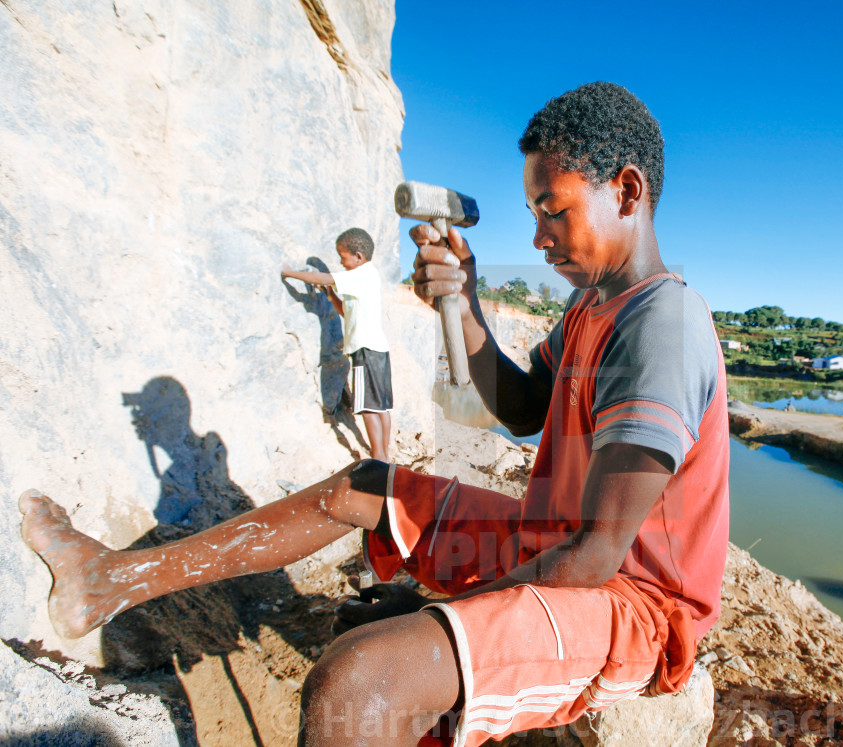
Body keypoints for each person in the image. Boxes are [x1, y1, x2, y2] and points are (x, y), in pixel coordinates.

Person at [20, 82, 730, 747]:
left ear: (628, 190)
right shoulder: (589, 308)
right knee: (363, 482)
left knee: (356, 681)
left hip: (631, 607)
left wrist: (428, 605)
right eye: (533, 214)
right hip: (554, 542)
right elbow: (520, 407)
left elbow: (596, 556)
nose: (539, 236)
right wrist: (462, 303)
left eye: (554, 209)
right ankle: (112, 580)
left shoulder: (662, 323)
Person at [282, 228, 394, 460]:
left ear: (358, 256)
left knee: (368, 407)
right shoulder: (365, 278)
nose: (342, 264)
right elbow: (346, 311)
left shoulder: (362, 273)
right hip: (378, 349)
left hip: (366, 350)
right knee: (380, 406)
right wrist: (332, 295)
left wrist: (289, 273)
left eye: (343, 258)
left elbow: (323, 278)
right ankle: (384, 453)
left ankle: (379, 459)